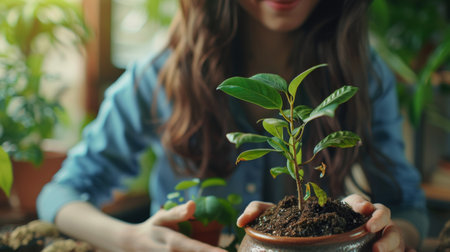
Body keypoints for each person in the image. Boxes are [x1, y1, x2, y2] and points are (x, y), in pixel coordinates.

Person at [37, 0, 428, 251]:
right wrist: (132, 238)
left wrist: (388, 237)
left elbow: (408, 206)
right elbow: (62, 191)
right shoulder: (161, 74)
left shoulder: (361, 74)